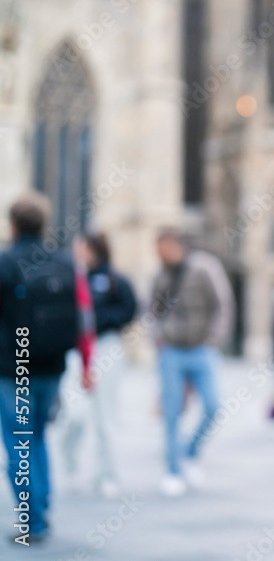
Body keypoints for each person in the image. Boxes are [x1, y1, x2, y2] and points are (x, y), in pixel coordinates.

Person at [0, 193, 95, 543]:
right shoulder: (67, 262)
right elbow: (85, 317)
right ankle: (41, 503)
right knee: (37, 435)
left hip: (12, 370)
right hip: (52, 367)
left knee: (17, 443)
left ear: (12, 225)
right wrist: (87, 365)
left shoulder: (5, 262)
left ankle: (34, 519)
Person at [150, 228, 234, 497]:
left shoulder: (204, 267)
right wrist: (157, 337)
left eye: (162, 248)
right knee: (172, 413)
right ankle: (172, 471)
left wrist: (214, 339)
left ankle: (190, 452)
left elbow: (222, 303)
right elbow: (150, 310)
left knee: (213, 406)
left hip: (201, 348)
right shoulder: (160, 275)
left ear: (175, 245)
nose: (159, 254)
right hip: (171, 350)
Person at [59, 232, 137, 499]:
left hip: (106, 346)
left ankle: (107, 475)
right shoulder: (72, 279)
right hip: (78, 348)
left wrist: (100, 320)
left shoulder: (115, 280)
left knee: (105, 417)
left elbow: (129, 310)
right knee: (74, 414)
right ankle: (69, 463)